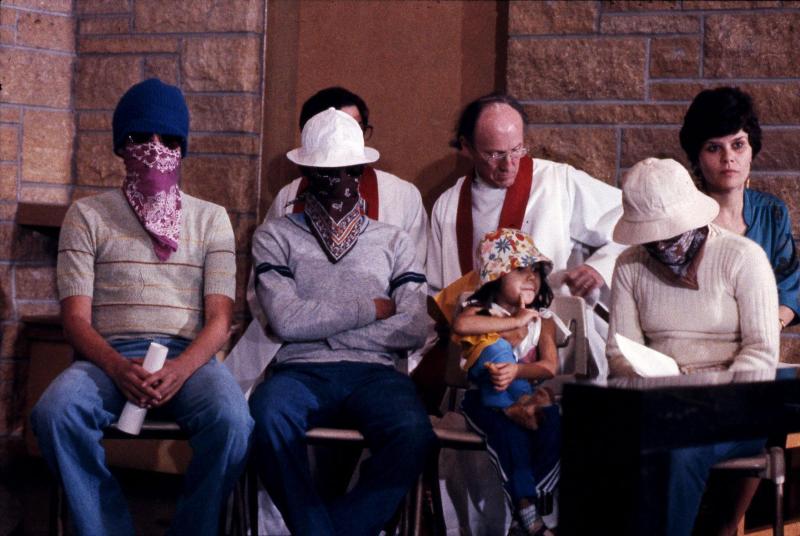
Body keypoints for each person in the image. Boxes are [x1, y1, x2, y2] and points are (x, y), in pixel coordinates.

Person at [30, 78, 253, 536]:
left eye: (169, 141)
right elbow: (75, 318)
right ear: (120, 145)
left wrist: (182, 367)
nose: (156, 150)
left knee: (234, 421)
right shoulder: (87, 216)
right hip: (109, 355)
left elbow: (220, 320)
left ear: (183, 147)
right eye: (140, 139)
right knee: (55, 412)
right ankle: (107, 528)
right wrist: (115, 366)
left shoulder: (212, 219)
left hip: (188, 357)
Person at [428, 91, 624, 534]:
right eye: (495, 154)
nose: (509, 164)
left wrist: (597, 266)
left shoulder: (559, 182)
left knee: (556, 433)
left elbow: (627, 220)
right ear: (466, 148)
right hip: (482, 364)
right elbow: (438, 292)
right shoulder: (447, 205)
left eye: (517, 150)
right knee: (479, 458)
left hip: (550, 355)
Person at [247, 107, 436, 535]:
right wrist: (367, 308)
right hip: (300, 371)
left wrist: (325, 328)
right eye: (324, 172)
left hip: (375, 374)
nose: (338, 182)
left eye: (348, 170)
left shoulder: (393, 239)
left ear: (362, 169)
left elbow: (412, 325)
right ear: (306, 172)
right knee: (265, 416)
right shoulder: (275, 236)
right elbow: (286, 320)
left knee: (413, 433)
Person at [606, 157, 779, 535]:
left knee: (678, 450)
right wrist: (657, 385)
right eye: (651, 239)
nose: (662, 246)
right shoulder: (629, 265)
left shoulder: (743, 258)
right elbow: (620, 352)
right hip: (660, 403)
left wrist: (708, 396)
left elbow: (762, 352)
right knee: (598, 440)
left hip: (735, 406)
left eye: (670, 234)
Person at [227, 86, 429, 395]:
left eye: (355, 129)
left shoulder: (402, 197)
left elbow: (410, 312)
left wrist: (318, 330)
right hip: (300, 363)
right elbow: (274, 305)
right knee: (272, 416)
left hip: (376, 361)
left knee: (407, 427)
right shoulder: (287, 203)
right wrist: (368, 309)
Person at [452, 228, 560, 536]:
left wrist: (516, 373)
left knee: (552, 422)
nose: (531, 279)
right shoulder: (481, 311)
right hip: (484, 401)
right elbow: (462, 325)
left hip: (526, 396)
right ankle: (527, 511)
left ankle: (525, 513)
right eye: (520, 270)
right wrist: (512, 322)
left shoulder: (545, 320)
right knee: (508, 434)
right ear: (497, 276)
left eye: (536, 272)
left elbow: (549, 367)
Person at [680, 86, 799, 331]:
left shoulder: (772, 213)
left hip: (759, 346)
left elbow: (791, 285)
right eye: (714, 148)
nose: (728, 158)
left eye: (738, 145)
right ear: (697, 157)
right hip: (695, 347)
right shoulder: (681, 219)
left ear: (752, 148)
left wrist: (770, 325)